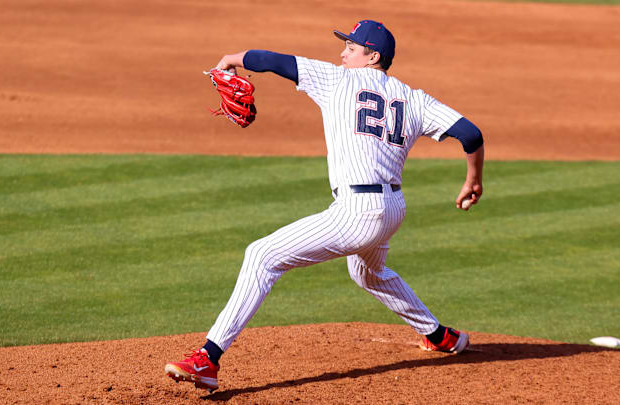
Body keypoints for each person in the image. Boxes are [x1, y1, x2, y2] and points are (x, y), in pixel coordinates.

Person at [165, 20, 484, 392]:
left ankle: (208, 359)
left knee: (261, 256)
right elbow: (470, 134)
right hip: (393, 208)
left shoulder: (337, 80)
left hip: (356, 212)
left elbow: (272, 60)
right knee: (367, 273)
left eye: (351, 47)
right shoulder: (414, 98)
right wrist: (473, 180)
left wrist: (230, 59)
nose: (342, 52)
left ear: (372, 56)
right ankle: (439, 335)